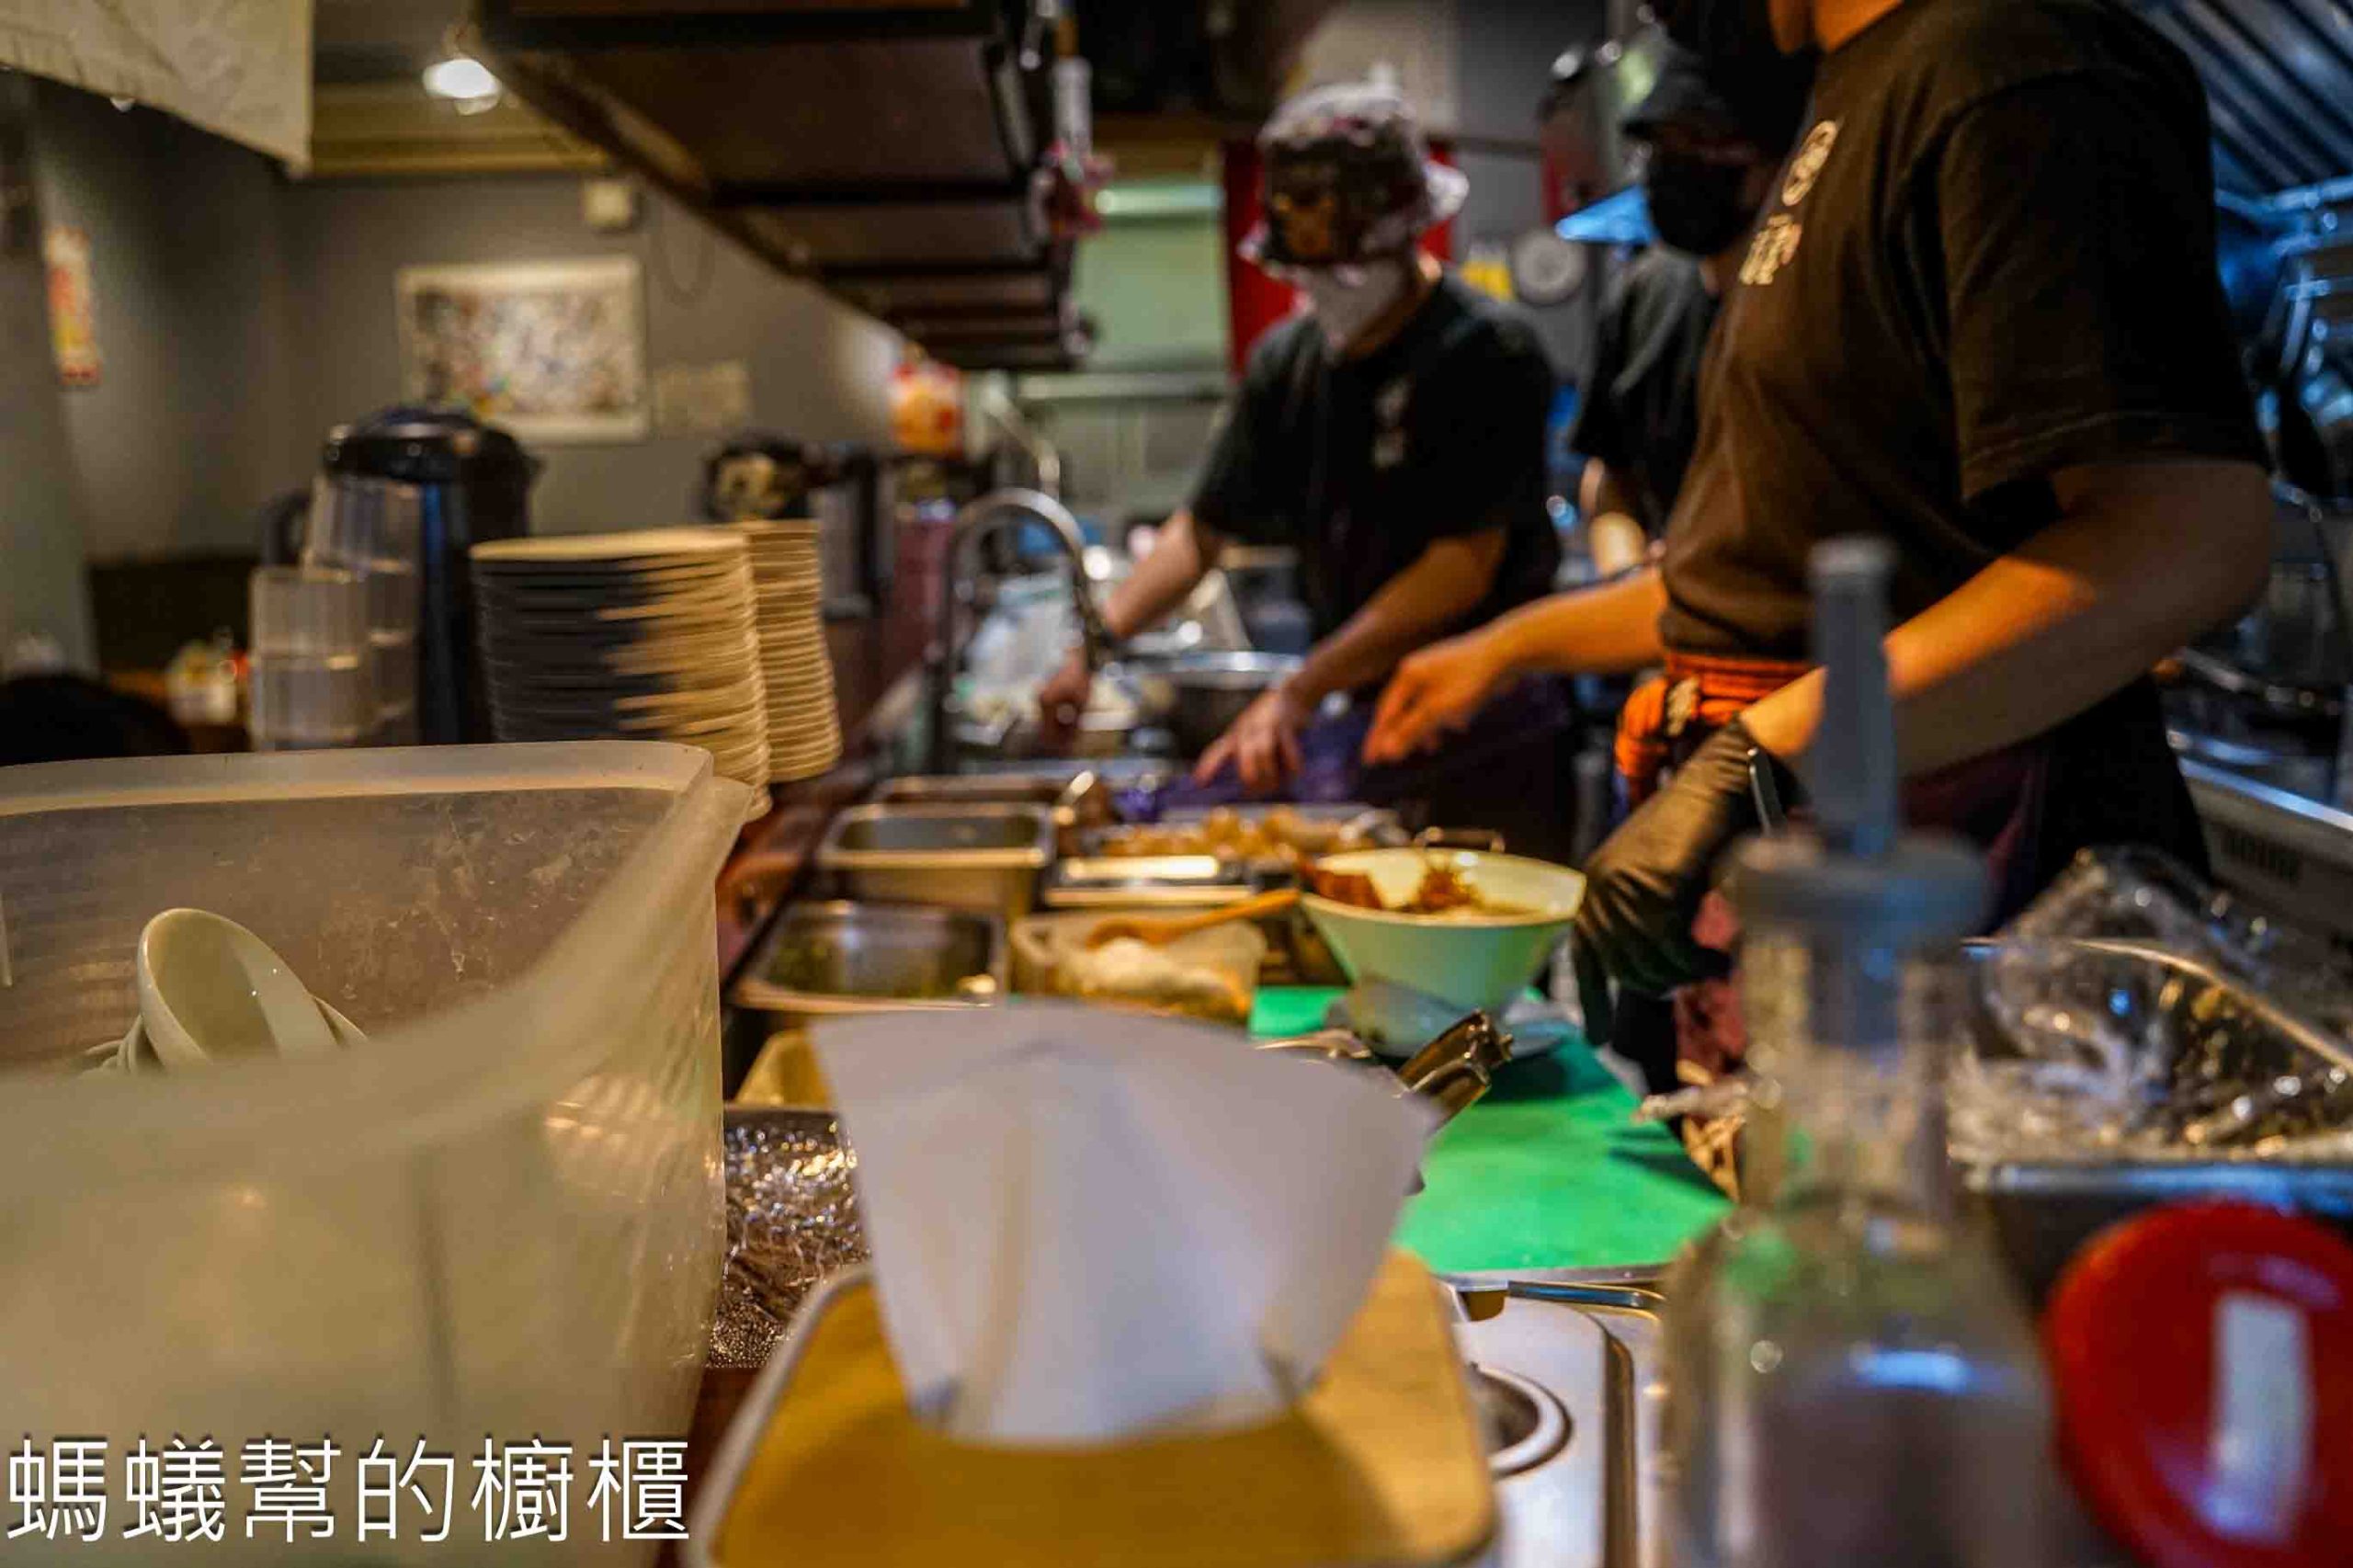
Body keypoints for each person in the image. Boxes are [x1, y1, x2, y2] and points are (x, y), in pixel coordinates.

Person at [1366, 0, 2272, 1113]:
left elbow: (2186, 538)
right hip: (1809, 900)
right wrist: (1502, 649)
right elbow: (1756, 575)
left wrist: (1767, 753)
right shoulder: (1848, 92)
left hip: (1960, 915)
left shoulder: (2009, 65)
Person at [1037, 83, 1575, 856]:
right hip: (1365, 711)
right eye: (1308, 269)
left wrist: (1298, 690)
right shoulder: (1288, 362)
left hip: (1486, 720)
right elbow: (1202, 532)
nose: (1325, 286)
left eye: (1348, 267)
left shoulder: (1487, 353)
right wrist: (1090, 648)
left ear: (1405, 237)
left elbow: (1462, 566)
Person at [1568, 40, 1813, 577]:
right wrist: (1626, 574)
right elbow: (1612, 479)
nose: (1672, 166)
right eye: (1661, 144)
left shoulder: (1817, 301)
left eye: (1701, 142)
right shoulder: (1643, 293)